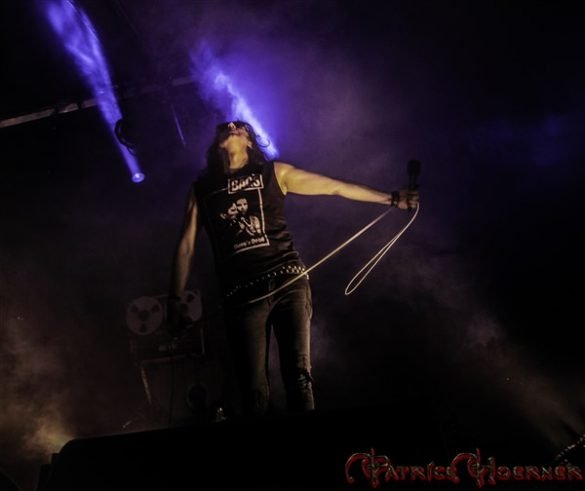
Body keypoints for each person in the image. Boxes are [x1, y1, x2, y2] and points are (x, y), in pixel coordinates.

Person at [167, 120, 419, 418]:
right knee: (253, 390)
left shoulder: (275, 173)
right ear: (216, 142)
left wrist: (391, 198)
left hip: (287, 281)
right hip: (242, 296)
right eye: (226, 126)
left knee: (298, 375)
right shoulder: (202, 190)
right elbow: (186, 246)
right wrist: (175, 299)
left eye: (241, 127)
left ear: (250, 142)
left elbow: (334, 187)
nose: (232, 125)